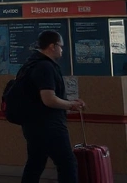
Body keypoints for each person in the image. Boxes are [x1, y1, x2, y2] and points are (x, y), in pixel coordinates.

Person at [18, 30, 86, 183]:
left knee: (35, 163)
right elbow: (49, 99)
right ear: (52, 46)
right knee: (67, 163)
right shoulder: (45, 67)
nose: (62, 50)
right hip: (49, 126)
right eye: (61, 46)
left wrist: (69, 103)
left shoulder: (31, 63)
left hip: (32, 124)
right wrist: (71, 105)